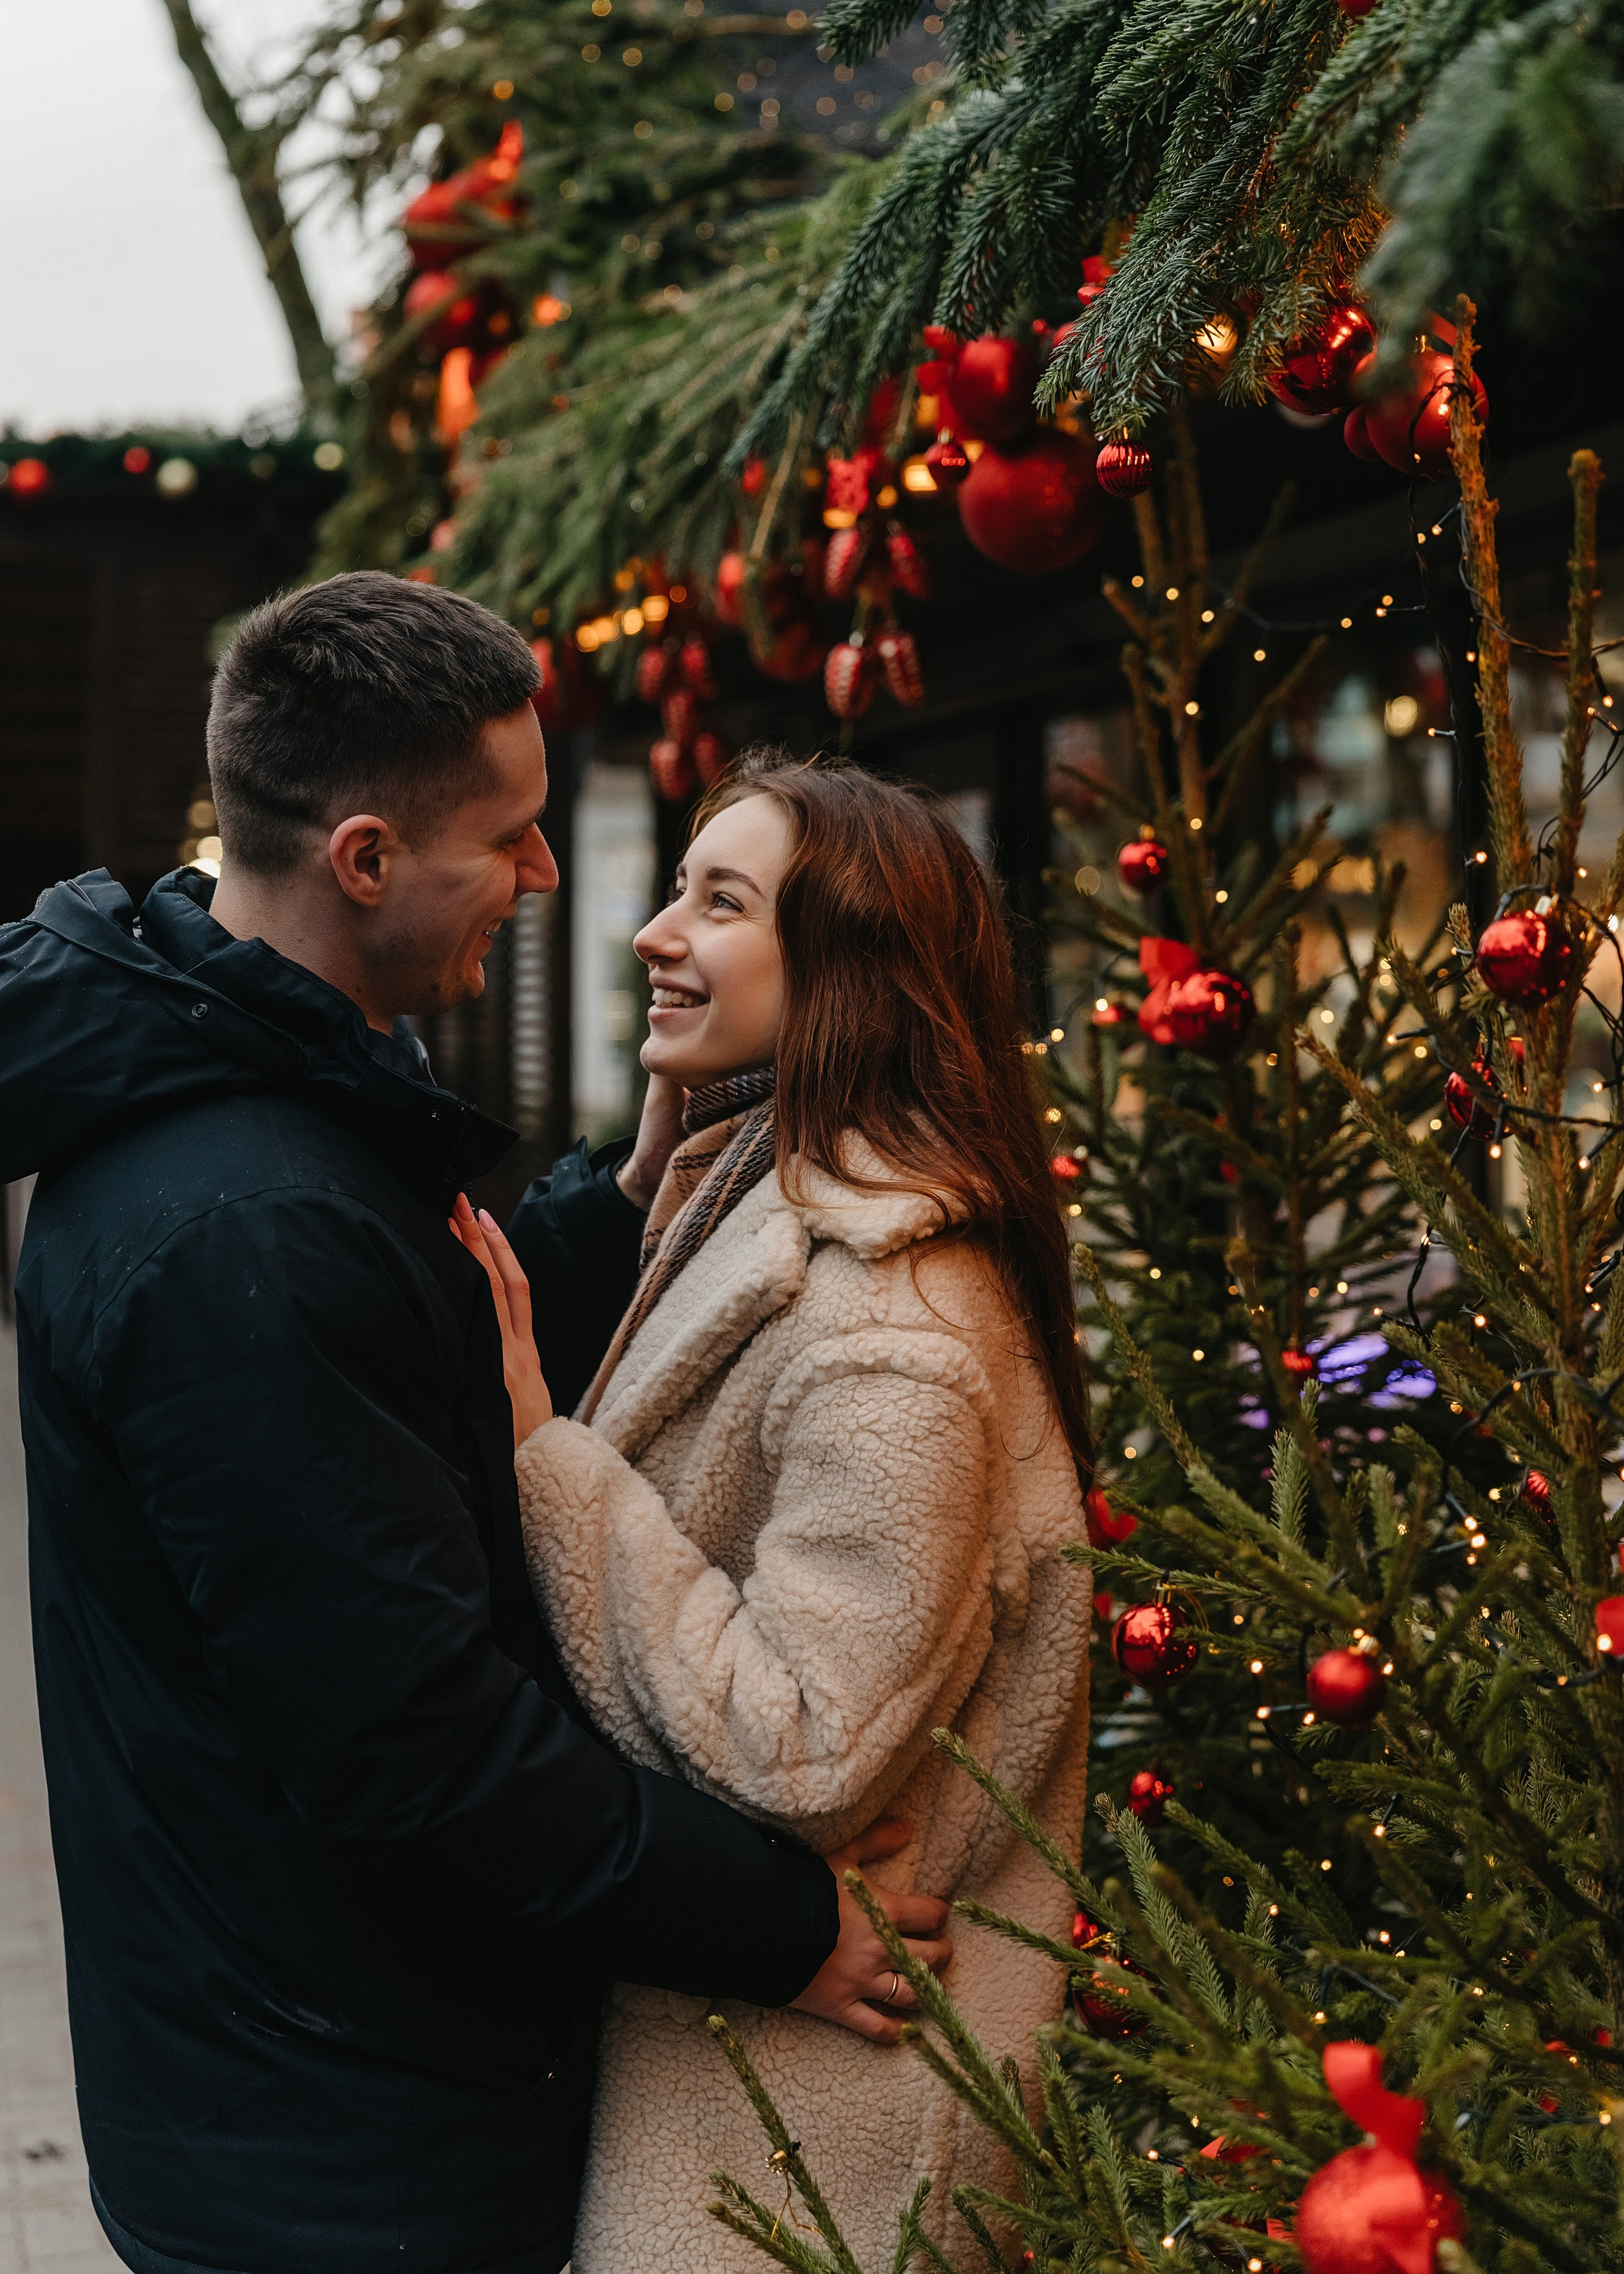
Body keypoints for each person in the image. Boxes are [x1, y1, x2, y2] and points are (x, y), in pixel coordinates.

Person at [0, 576, 948, 2274]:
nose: (549, 874)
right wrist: (788, 1928)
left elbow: (414, 1359)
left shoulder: (251, 1082)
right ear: (366, 859)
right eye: (509, 834)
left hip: (295, 2086)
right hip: (340, 2154)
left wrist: (627, 1194)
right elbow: (420, 1764)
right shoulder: (244, 1227)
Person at [457, 750, 1093, 2270]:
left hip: (815, 2143)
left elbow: (803, 1741)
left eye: (718, 901)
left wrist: (543, 1451)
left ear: (844, 976)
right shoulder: (759, 1193)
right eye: (677, 885)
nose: (652, 934)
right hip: (747, 2089)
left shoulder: (895, 1333)